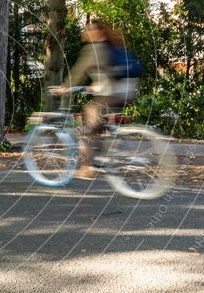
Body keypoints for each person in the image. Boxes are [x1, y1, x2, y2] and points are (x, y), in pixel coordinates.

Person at [49, 20, 139, 177]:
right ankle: (101, 156)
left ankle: (87, 167)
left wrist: (64, 88)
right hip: (127, 91)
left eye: (89, 30)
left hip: (111, 93)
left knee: (87, 128)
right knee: (99, 123)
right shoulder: (112, 47)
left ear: (96, 33)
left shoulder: (93, 48)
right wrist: (94, 86)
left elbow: (79, 71)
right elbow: (106, 72)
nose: (85, 33)